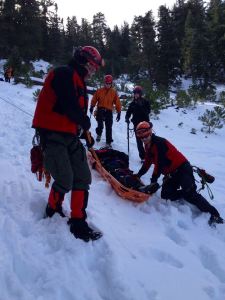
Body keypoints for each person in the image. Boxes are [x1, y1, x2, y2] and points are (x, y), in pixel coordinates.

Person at [32, 46, 104, 242]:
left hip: (69, 136)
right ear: (84, 61)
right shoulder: (64, 73)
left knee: (82, 176)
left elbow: (73, 114)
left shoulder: (79, 81)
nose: (93, 71)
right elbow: (69, 105)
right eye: (92, 66)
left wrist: (83, 132)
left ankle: (78, 221)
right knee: (65, 178)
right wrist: (85, 122)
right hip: (52, 136)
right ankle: (52, 208)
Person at [135, 121, 224, 226]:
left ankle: (215, 215)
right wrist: (138, 175)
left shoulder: (159, 143)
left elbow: (159, 164)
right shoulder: (148, 146)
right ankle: (183, 193)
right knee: (165, 195)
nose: (144, 140)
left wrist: (153, 181)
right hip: (171, 174)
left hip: (183, 169)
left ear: (150, 133)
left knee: (190, 194)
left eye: (146, 137)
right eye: (142, 138)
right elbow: (147, 162)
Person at [89, 74, 121, 147]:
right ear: (104, 83)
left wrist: (119, 112)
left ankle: (108, 141)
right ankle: (99, 134)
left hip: (109, 111)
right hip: (100, 109)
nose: (108, 85)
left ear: (111, 84)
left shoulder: (113, 92)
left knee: (108, 126)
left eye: (109, 83)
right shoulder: (100, 91)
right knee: (100, 125)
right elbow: (94, 98)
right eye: (106, 83)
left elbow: (117, 102)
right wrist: (92, 106)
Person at [125, 86, 151, 161]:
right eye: (135, 93)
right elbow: (128, 112)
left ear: (140, 94)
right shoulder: (132, 103)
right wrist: (127, 118)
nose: (136, 95)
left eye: (137, 93)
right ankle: (143, 157)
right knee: (139, 142)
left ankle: (149, 156)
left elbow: (148, 111)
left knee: (147, 141)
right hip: (136, 125)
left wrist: (141, 106)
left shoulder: (145, 102)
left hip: (145, 124)